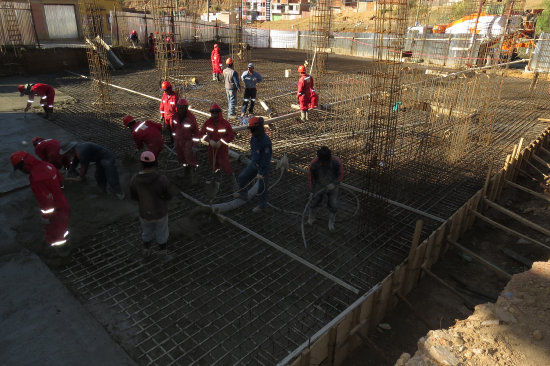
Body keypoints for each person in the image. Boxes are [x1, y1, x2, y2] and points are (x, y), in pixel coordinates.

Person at [10, 151, 70, 256]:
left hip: (55, 212)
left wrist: (46, 217)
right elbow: (60, 180)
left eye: (20, 168)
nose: (21, 171)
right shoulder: (47, 165)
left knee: (55, 232)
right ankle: (60, 241)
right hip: (63, 204)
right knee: (62, 226)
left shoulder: (37, 179)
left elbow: (46, 202)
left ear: (25, 164)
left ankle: (62, 251)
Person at [130, 151, 173, 259]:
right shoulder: (162, 179)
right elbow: (168, 195)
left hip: (144, 213)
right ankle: (162, 252)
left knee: (147, 231)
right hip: (160, 213)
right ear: (155, 163)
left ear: (141, 164)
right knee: (162, 232)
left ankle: (146, 250)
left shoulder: (134, 179)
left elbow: (134, 197)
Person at [60, 141, 125, 200]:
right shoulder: (77, 150)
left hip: (107, 157)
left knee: (111, 176)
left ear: (70, 150)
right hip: (99, 159)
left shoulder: (81, 152)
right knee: (98, 176)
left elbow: (84, 165)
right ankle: (103, 189)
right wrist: (70, 171)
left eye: (67, 152)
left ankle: (119, 192)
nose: (68, 154)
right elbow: (75, 161)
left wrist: (81, 176)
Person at [236, 117, 272, 212]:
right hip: (254, 164)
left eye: (252, 129)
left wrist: (261, 172)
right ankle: (243, 195)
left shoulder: (265, 141)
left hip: (262, 167)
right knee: (242, 177)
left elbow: (266, 159)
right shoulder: (254, 138)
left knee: (261, 188)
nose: (251, 131)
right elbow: (255, 152)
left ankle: (262, 206)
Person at [199, 103, 238, 190]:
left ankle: (233, 181)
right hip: (211, 148)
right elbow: (201, 133)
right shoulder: (208, 122)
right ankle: (217, 181)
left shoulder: (225, 123)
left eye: (215, 113)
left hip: (222, 149)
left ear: (218, 113)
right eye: (212, 113)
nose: (213, 115)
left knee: (225, 164)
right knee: (213, 164)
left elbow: (231, 136)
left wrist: (221, 142)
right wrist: (209, 141)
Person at [307, 146, 343, 232]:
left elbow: (340, 175)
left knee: (333, 203)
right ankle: (311, 219)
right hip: (319, 184)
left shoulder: (336, 161)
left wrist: (334, 184)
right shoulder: (314, 163)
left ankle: (331, 223)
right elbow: (311, 178)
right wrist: (312, 191)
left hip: (332, 184)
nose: (323, 164)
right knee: (314, 201)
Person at [172, 99, 200, 183]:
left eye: (183, 108)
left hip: (188, 142)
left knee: (190, 159)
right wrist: (175, 140)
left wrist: (194, 146)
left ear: (186, 108)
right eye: (180, 108)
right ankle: (186, 174)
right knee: (182, 159)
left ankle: (193, 178)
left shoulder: (191, 118)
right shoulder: (175, 116)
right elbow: (173, 129)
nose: (181, 110)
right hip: (179, 142)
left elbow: (196, 133)